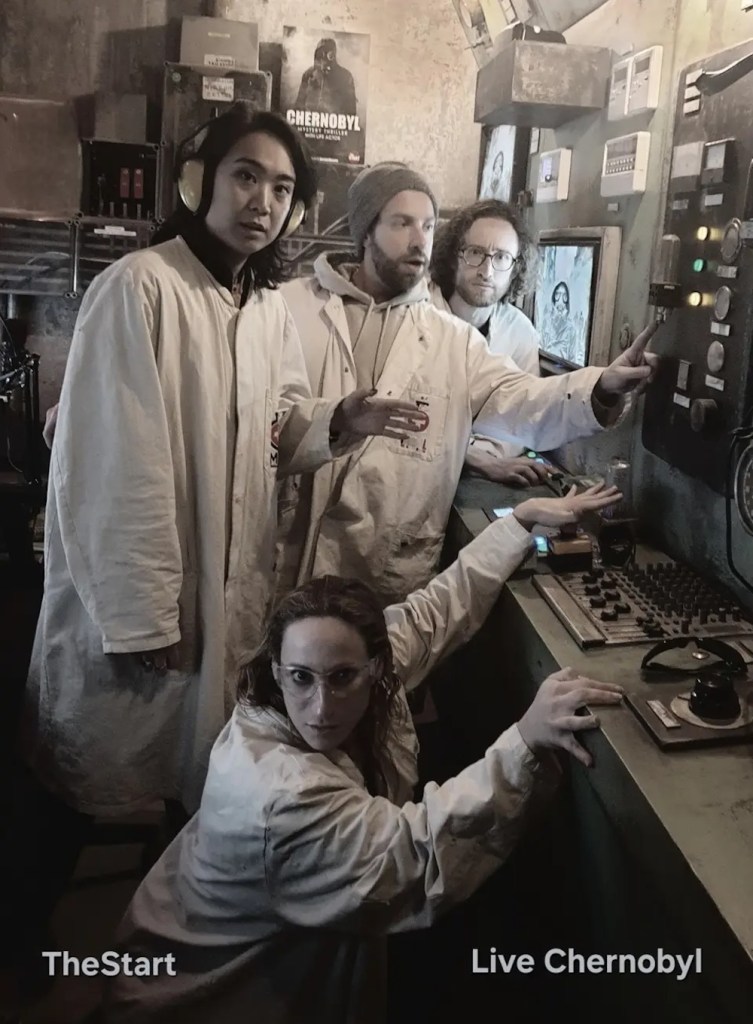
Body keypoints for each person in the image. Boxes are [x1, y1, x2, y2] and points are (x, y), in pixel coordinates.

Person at [3, 105, 427, 1000]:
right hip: (145, 598)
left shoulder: (263, 307)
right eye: (245, 175)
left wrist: (336, 421)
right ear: (199, 180)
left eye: (281, 186)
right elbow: (112, 469)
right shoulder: (139, 287)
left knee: (186, 777)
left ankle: (159, 951)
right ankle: (18, 942)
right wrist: (142, 614)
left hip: (222, 586)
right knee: (78, 780)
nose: (262, 200)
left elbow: (274, 426)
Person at [100, 482, 623, 1024]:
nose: (321, 705)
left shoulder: (353, 664)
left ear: (375, 668)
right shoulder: (279, 793)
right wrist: (525, 739)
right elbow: (416, 857)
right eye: (301, 679)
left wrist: (517, 523)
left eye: (342, 677)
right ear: (276, 672)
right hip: (203, 995)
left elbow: (430, 614)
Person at [277, 161, 657, 606]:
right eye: (402, 223)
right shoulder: (289, 309)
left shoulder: (450, 339)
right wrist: (337, 420)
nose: (419, 240)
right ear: (364, 231)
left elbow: (521, 399)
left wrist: (602, 387)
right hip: (290, 557)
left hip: (383, 572)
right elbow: (256, 431)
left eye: (428, 226)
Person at [430, 198, 548, 487]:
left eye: (501, 257)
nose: (487, 271)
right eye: (475, 253)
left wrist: (481, 458)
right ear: (452, 255)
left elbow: (522, 419)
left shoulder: (520, 332)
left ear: (516, 266)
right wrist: (475, 459)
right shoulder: (419, 314)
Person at [294, 37, 358, 116]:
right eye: (321, 52)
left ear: (333, 54)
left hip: (335, 125)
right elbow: (298, 106)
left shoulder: (345, 76)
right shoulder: (308, 74)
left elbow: (351, 111)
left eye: (327, 52)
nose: (323, 56)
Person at [546, 280, 579, 364]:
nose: (560, 301)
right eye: (558, 295)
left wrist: (562, 321)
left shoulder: (571, 329)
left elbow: (573, 359)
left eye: (564, 296)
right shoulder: (546, 323)